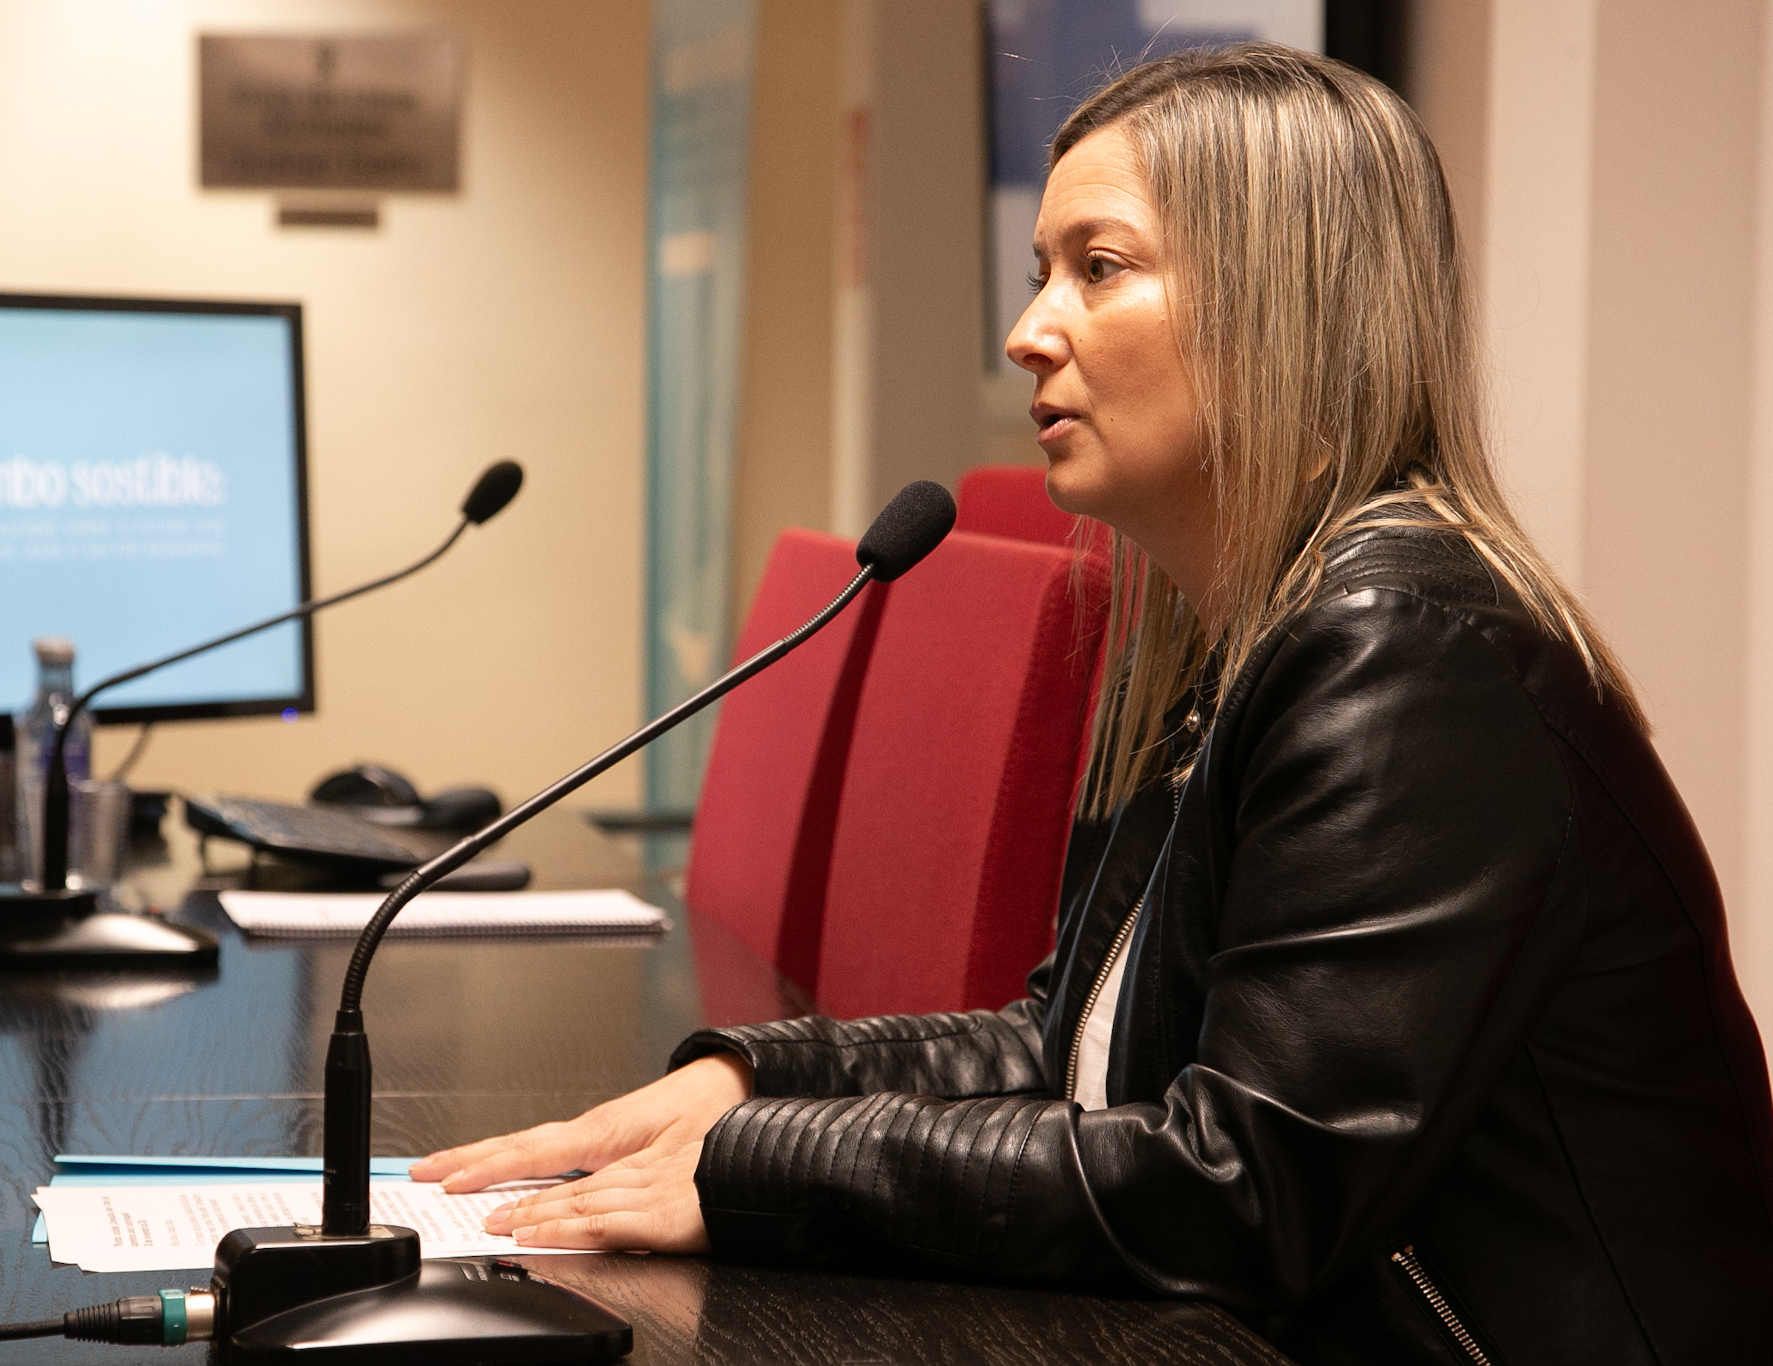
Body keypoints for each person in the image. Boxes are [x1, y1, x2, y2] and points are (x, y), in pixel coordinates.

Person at [412, 42, 1773, 1364]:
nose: (1026, 333)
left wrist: (761, 1166)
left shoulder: (1404, 648)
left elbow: (1246, 1186)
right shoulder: (1244, 626)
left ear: (1282, 300)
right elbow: (1061, 1045)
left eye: (1099, 268)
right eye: (1039, 273)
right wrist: (751, 1084)